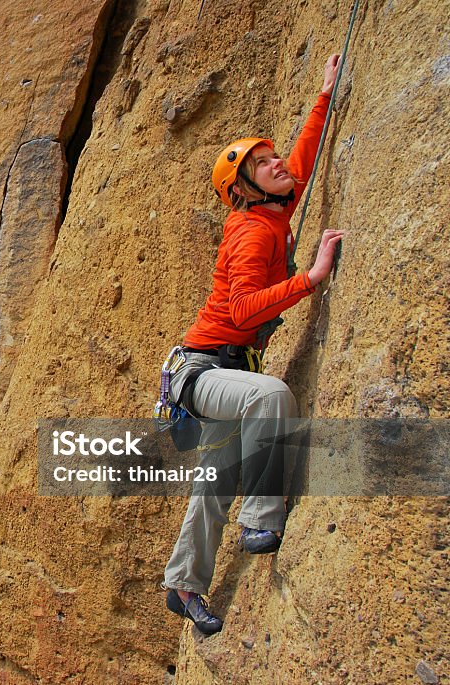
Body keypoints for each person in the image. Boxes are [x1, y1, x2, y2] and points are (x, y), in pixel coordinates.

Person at [160, 53, 345, 635]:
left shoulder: (275, 208)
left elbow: (303, 162)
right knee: (271, 397)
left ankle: (184, 584)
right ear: (242, 189)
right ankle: (262, 521)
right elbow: (240, 309)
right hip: (202, 371)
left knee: (215, 481)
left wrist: (324, 95)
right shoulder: (247, 229)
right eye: (263, 165)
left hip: (216, 371)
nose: (277, 167)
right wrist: (309, 279)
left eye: (271, 160)